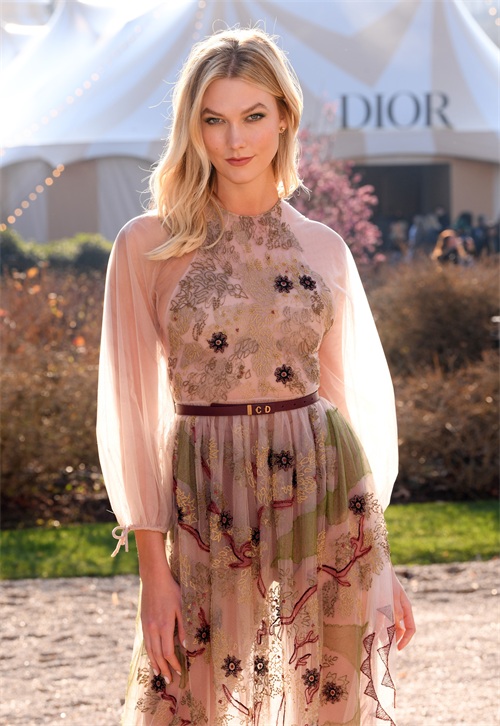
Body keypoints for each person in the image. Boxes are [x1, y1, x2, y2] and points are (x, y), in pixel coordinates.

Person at [97, 27, 415, 726]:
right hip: (205, 494)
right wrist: (153, 572)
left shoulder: (324, 247)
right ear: (192, 127)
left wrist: (379, 561)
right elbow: (130, 411)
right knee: (186, 704)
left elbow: (346, 398)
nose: (234, 139)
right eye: (214, 119)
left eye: (253, 116)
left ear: (285, 118)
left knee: (328, 704)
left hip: (324, 488)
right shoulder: (146, 245)